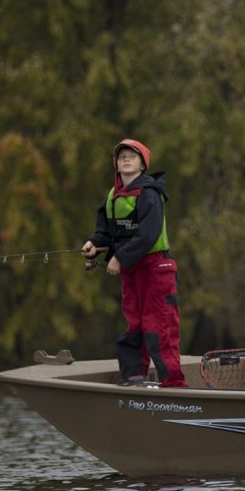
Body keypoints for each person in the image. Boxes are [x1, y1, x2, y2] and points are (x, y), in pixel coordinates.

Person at [81, 138, 188, 388]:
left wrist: (119, 257)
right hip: (131, 271)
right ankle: (133, 379)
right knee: (135, 326)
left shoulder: (150, 193)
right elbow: (105, 231)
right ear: (116, 165)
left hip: (156, 269)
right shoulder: (112, 196)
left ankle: (174, 385)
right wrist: (93, 244)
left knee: (159, 327)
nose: (126, 159)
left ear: (142, 164)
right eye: (121, 157)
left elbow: (148, 235)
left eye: (132, 156)